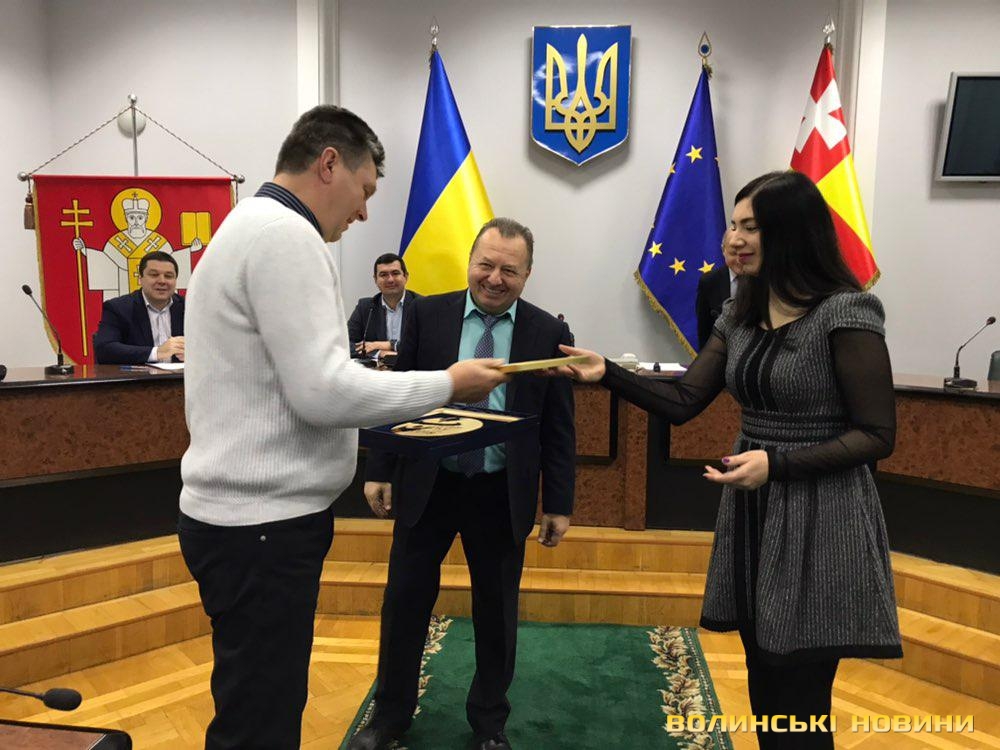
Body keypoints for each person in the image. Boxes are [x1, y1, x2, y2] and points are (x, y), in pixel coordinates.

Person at [177, 105, 508, 750]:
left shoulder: (250, 223)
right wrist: (447, 384)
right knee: (260, 721)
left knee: (255, 703)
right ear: (329, 162)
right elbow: (324, 392)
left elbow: (304, 380)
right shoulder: (285, 235)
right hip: (262, 528)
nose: (362, 212)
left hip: (248, 522)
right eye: (365, 190)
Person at [552, 171, 902, 749]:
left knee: (801, 695)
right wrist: (607, 372)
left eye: (751, 227)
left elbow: (877, 435)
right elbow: (684, 401)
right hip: (753, 509)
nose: (733, 240)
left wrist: (778, 465)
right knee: (764, 681)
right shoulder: (739, 311)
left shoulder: (847, 311)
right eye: (732, 226)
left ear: (792, 232)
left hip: (821, 514)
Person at [350, 218, 575, 750]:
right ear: (470, 262)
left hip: (500, 492)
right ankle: (389, 717)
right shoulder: (427, 314)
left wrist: (558, 502)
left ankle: (489, 724)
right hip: (429, 484)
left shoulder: (548, 332)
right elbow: (400, 394)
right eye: (486, 265)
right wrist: (380, 468)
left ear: (527, 275)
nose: (494, 278)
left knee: (496, 613)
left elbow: (559, 425)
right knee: (404, 603)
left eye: (509, 270)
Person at [92, 250, 186, 364]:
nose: (162, 281)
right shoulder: (118, 308)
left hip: (182, 375)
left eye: (168, 276)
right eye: (154, 275)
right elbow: (104, 349)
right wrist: (156, 352)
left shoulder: (188, 308)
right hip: (138, 375)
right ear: (140, 279)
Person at [347, 253, 419, 359]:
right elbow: (346, 345)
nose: (390, 280)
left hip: (412, 368)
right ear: (375, 279)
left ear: (406, 277)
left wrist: (391, 345)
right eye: (383, 275)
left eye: (395, 273)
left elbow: (430, 345)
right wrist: (379, 353)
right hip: (377, 368)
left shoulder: (422, 306)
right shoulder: (365, 308)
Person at [694, 239, 741, 349]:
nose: (739, 260)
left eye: (744, 255)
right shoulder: (709, 281)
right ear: (723, 250)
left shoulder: (761, 280)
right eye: (733, 254)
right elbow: (704, 330)